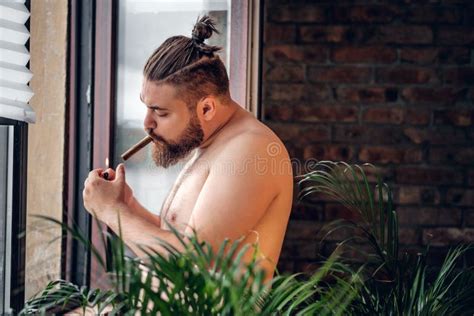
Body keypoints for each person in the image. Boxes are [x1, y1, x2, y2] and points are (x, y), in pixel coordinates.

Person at [83, 16, 293, 282]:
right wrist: (127, 204)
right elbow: (178, 238)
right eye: (146, 107)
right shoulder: (213, 143)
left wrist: (110, 212)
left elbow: (195, 261)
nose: (147, 123)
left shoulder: (250, 151)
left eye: (160, 112)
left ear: (206, 108)